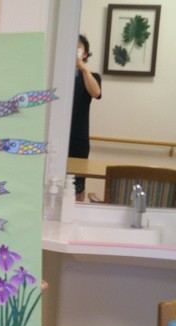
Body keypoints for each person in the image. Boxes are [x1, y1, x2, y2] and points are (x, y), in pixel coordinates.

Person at [69, 34, 102, 202]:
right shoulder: (59, 74)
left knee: (78, 186)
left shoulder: (92, 76)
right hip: (58, 136)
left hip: (79, 138)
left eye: (78, 49)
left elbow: (96, 93)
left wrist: (82, 68)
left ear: (85, 54)